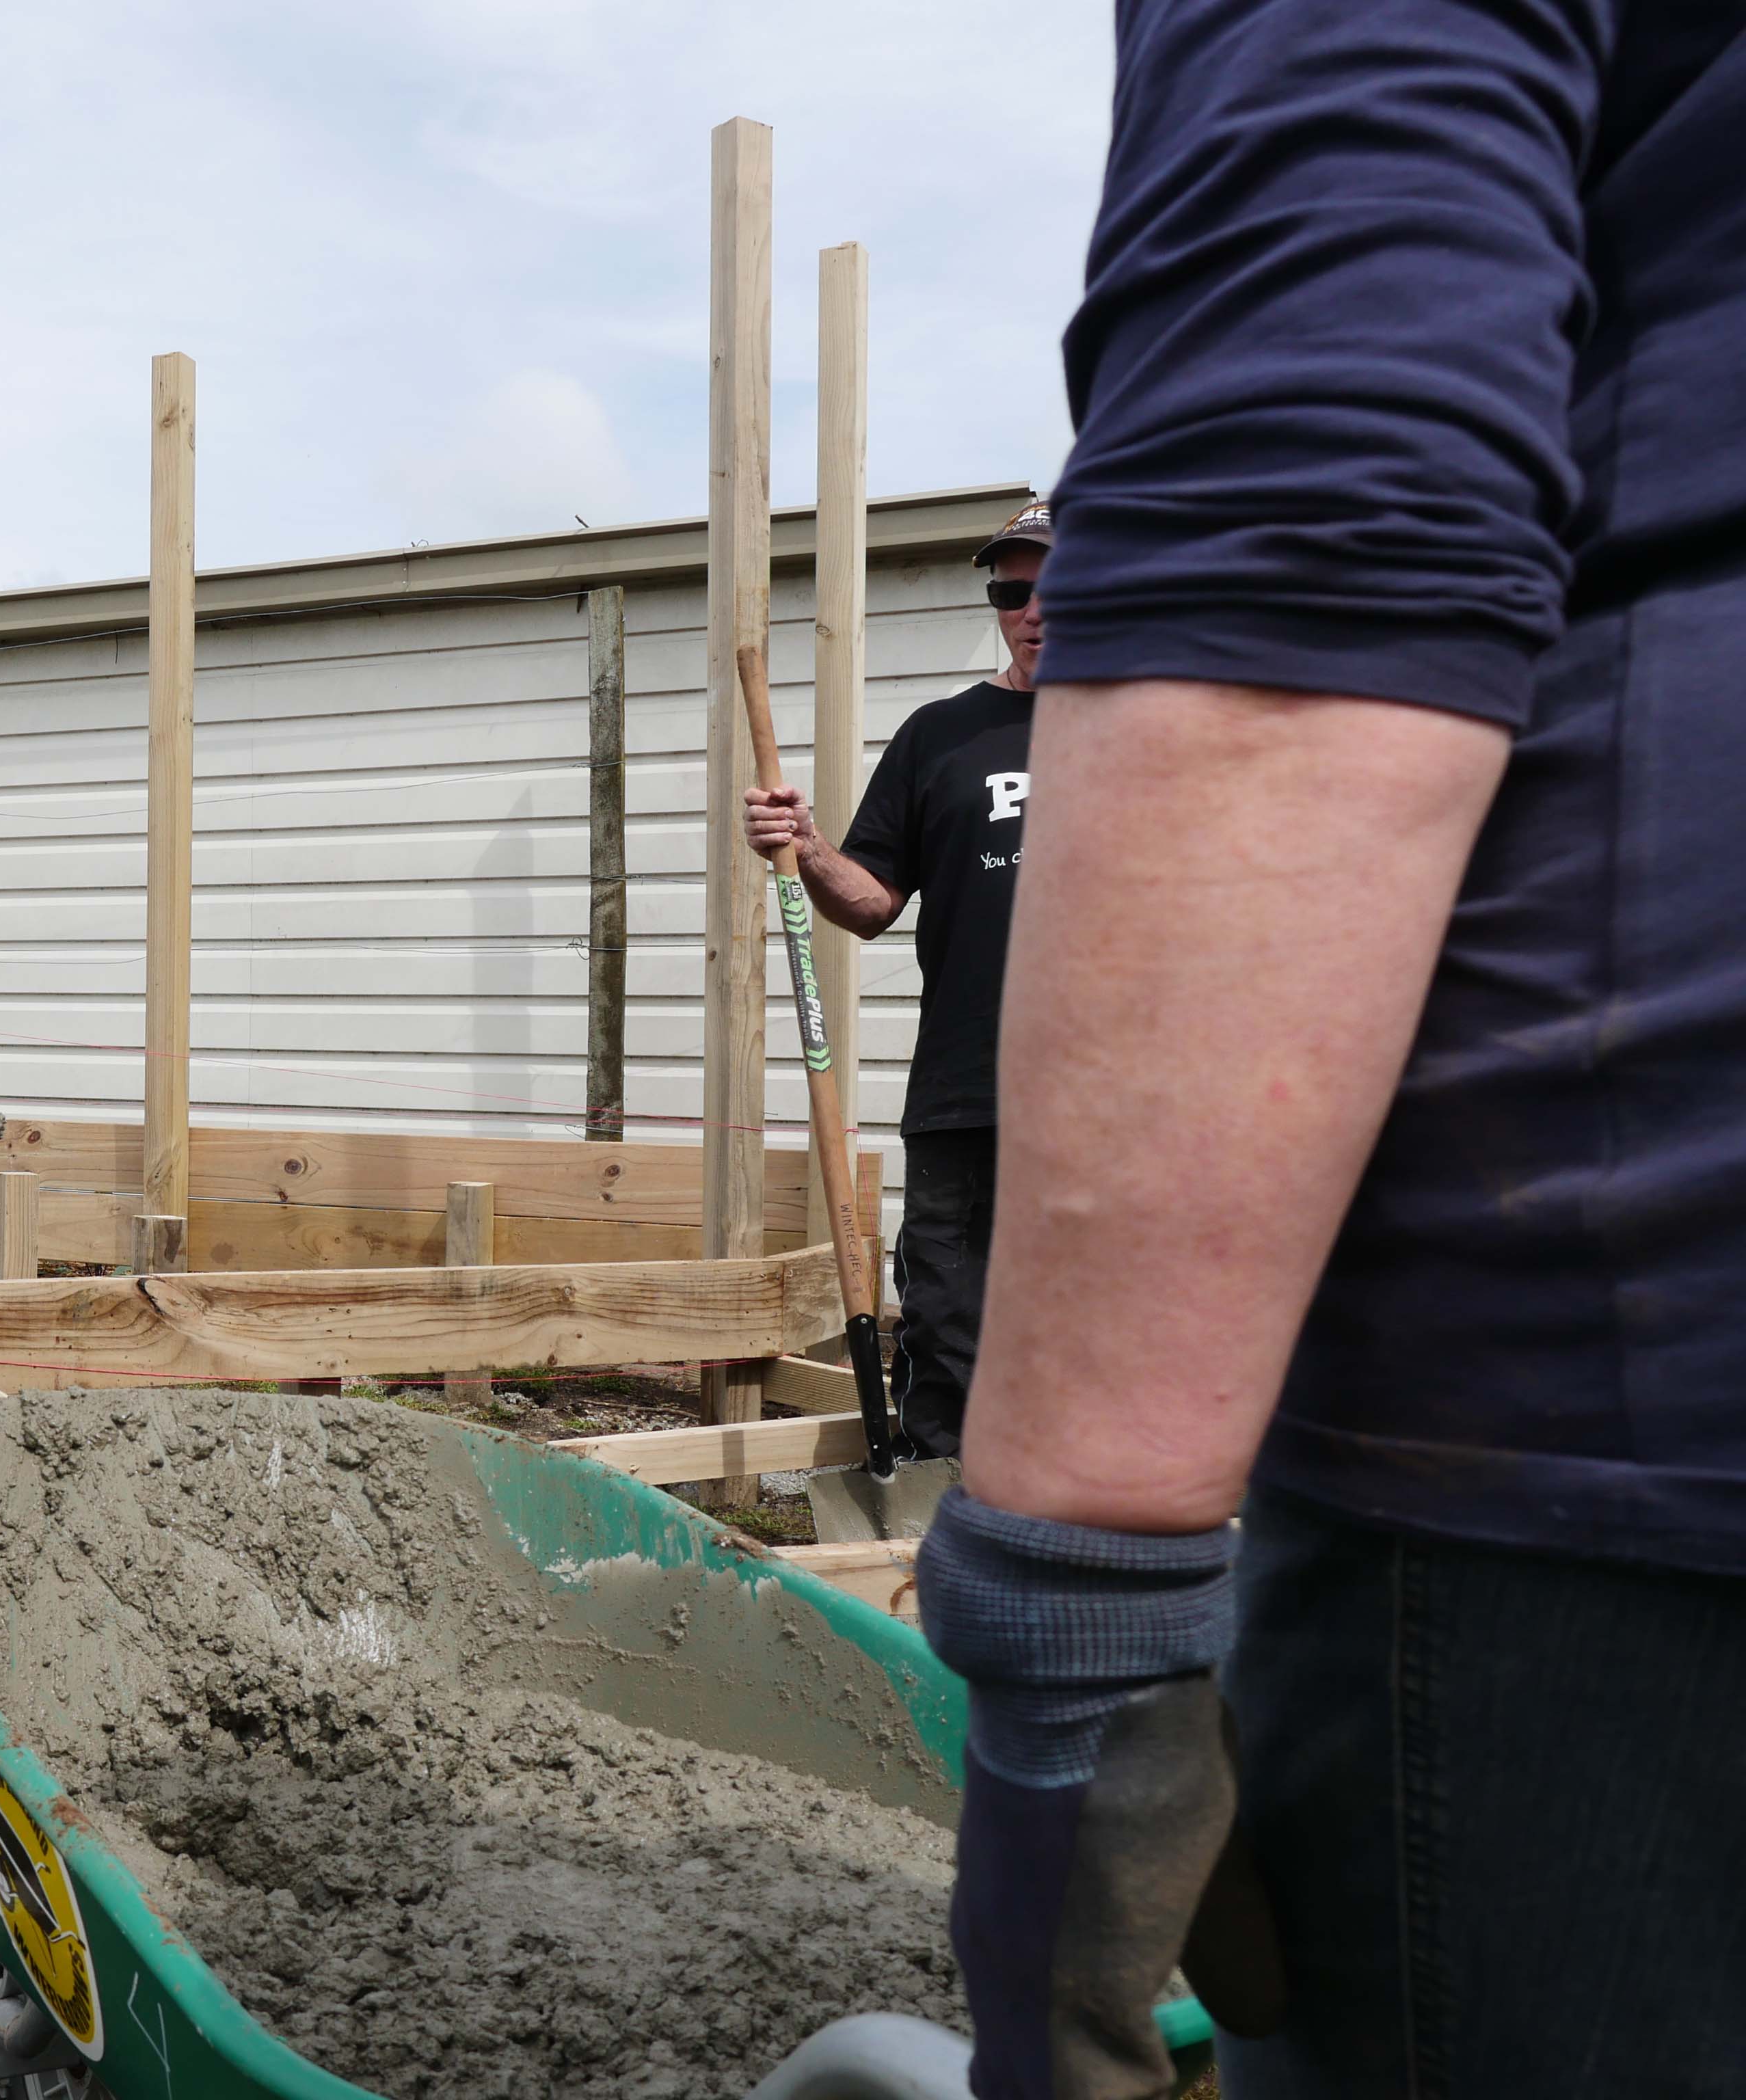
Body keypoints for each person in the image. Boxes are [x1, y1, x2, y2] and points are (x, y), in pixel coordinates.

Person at [913, 6, 1746, 2096]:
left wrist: (1075, 1593)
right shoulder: (936, 748)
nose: (1029, 612)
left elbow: (1316, 507)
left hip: (1610, 1363)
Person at [739, 500, 1051, 1458]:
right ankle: (927, 1539)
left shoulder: (1158, 726)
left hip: (1117, 1100)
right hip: (965, 1088)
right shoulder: (941, 736)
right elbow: (871, 902)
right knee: (948, 1319)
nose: (1035, 608)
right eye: (1013, 590)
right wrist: (807, 845)